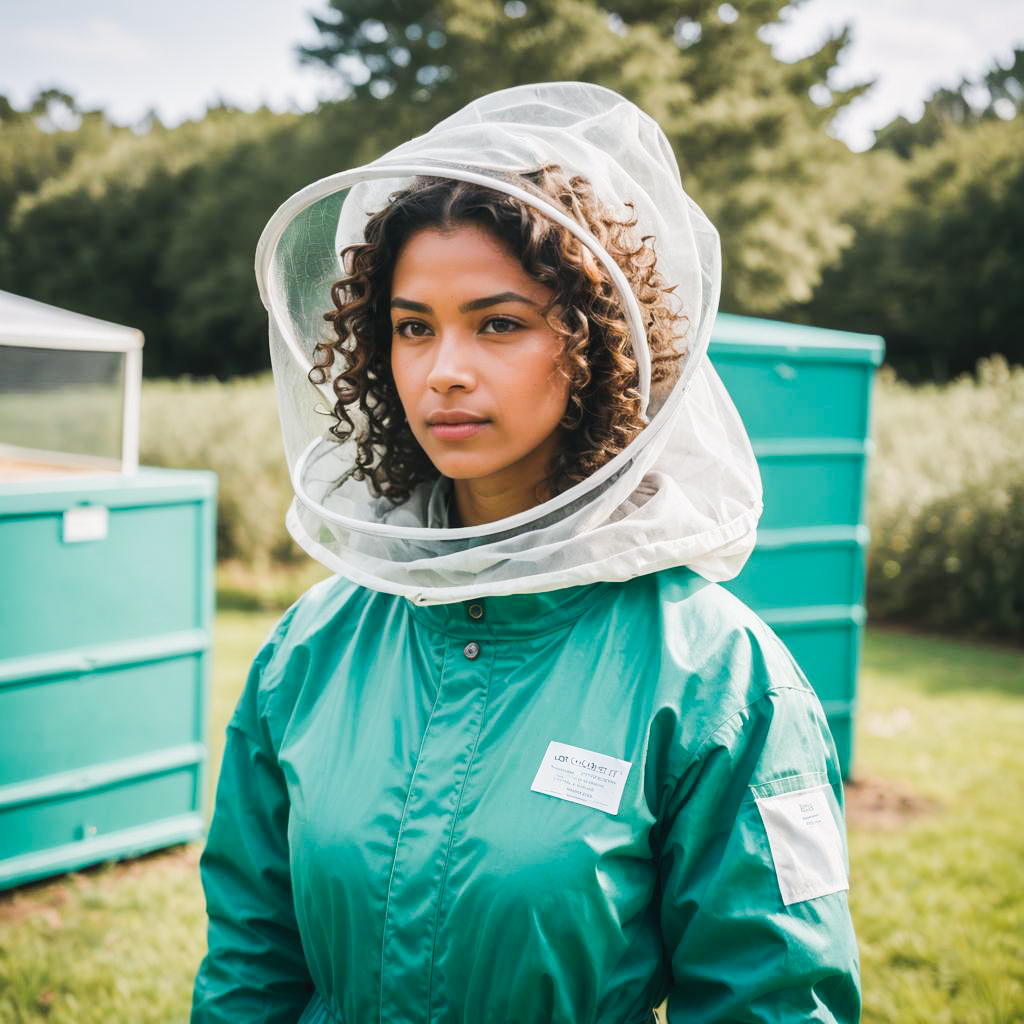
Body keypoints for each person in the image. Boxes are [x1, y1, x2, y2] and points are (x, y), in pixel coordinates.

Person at [190, 82, 861, 1024]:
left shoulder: (721, 680)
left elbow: (775, 999)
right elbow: (249, 965)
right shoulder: (308, 651)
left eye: (497, 322)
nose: (444, 369)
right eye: (413, 326)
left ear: (594, 345)